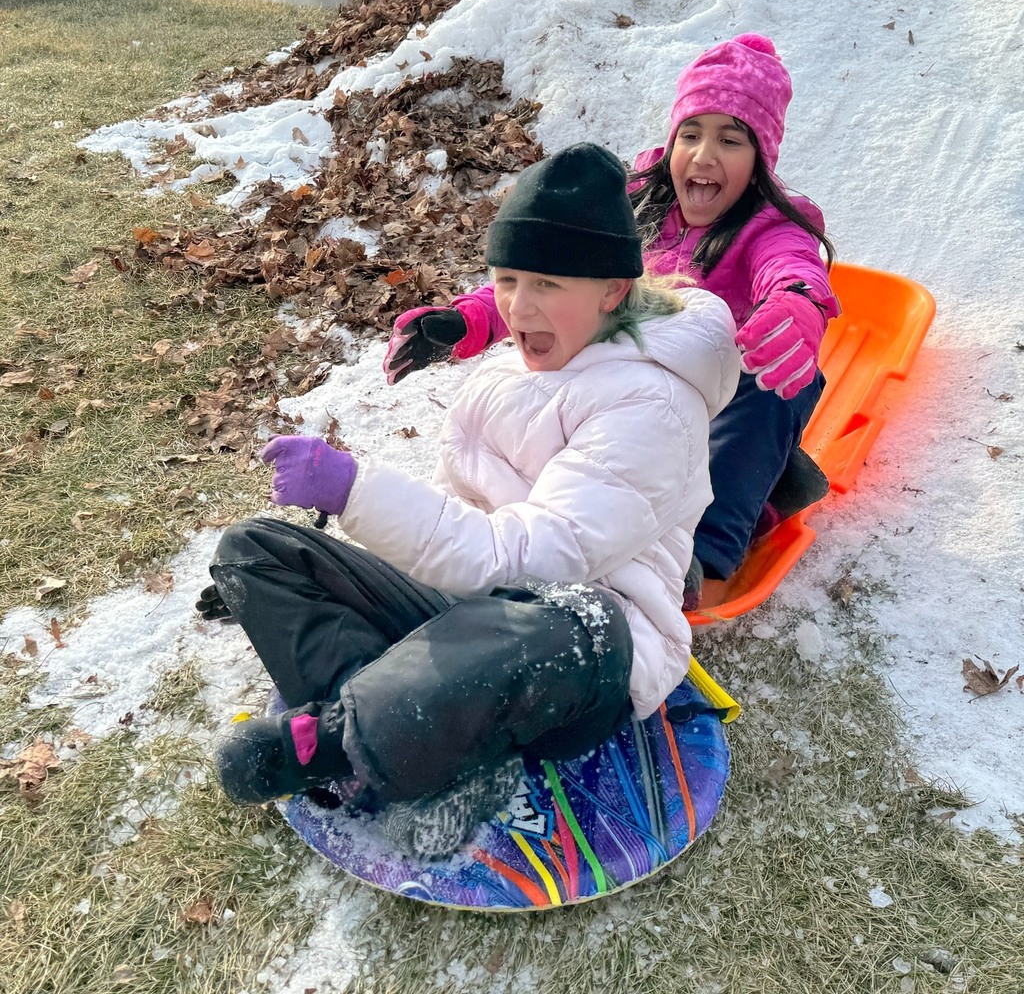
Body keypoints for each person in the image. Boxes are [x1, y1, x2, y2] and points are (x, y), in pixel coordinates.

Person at [200, 142, 740, 859]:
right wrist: (351, 574)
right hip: (474, 617)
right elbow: (464, 535)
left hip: (581, 650)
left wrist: (356, 490)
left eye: (547, 283)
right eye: (508, 279)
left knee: (560, 619)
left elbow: (531, 559)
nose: (518, 306)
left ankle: (343, 741)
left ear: (612, 290)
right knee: (257, 552)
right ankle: (428, 747)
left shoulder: (653, 404)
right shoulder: (517, 368)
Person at [382, 34, 840, 609]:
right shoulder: (631, 202)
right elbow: (547, 267)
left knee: (770, 384)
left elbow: (792, 268)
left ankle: (701, 547)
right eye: (690, 135)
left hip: (717, 397)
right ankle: (551, 513)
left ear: (760, 159)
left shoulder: (769, 227)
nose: (703, 157)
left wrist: (796, 303)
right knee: (541, 384)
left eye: (730, 140)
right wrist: (468, 319)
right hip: (625, 382)